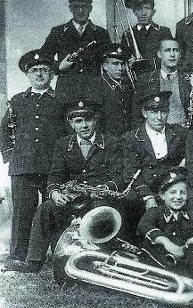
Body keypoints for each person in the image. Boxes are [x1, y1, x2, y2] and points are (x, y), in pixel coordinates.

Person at [7, 100, 121, 272]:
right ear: (71, 123)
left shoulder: (110, 142)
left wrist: (108, 187)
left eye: (88, 120)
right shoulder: (62, 144)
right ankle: (33, 261)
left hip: (98, 198)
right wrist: (54, 193)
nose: (84, 125)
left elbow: (119, 175)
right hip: (73, 198)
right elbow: (55, 175)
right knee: (46, 208)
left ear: (95, 120)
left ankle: (99, 262)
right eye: (78, 121)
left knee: (100, 212)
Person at [0, 50, 66, 270]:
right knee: (22, 213)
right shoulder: (17, 101)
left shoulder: (61, 101)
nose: (39, 74)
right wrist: (10, 156)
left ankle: (60, 254)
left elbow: (67, 134)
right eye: (34, 70)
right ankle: (18, 256)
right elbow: (4, 129)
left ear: (52, 75)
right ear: (28, 74)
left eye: (44, 71)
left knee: (55, 210)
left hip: (52, 167)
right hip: (23, 166)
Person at [118, 90, 188, 241]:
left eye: (163, 111)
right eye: (153, 111)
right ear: (144, 113)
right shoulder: (131, 138)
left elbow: (192, 151)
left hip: (171, 187)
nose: (159, 117)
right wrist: (148, 196)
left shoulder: (179, 133)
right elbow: (130, 173)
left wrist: (185, 162)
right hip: (145, 188)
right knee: (129, 204)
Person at [41, 0, 111, 104]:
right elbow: (43, 58)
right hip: (67, 91)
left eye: (84, 6)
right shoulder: (58, 32)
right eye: (76, 7)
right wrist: (59, 66)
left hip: (94, 91)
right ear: (70, 8)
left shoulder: (101, 33)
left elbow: (108, 61)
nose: (80, 11)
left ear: (90, 8)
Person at [131, 38, 193, 128]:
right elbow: (136, 116)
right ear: (159, 54)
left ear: (180, 54)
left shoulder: (191, 80)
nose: (172, 54)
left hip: (184, 134)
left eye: (175, 50)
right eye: (167, 50)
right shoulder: (146, 80)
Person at [84, 43, 135, 136]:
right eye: (115, 64)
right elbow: (94, 121)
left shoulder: (128, 85)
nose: (120, 68)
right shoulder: (96, 86)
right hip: (108, 141)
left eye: (123, 64)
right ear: (105, 66)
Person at [121, 0, 174, 73]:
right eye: (139, 9)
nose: (143, 13)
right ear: (134, 12)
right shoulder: (128, 35)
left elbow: (171, 57)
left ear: (153, 11)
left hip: (158, 78)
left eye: (147, 8)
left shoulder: (164, 32)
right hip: (136, 80)